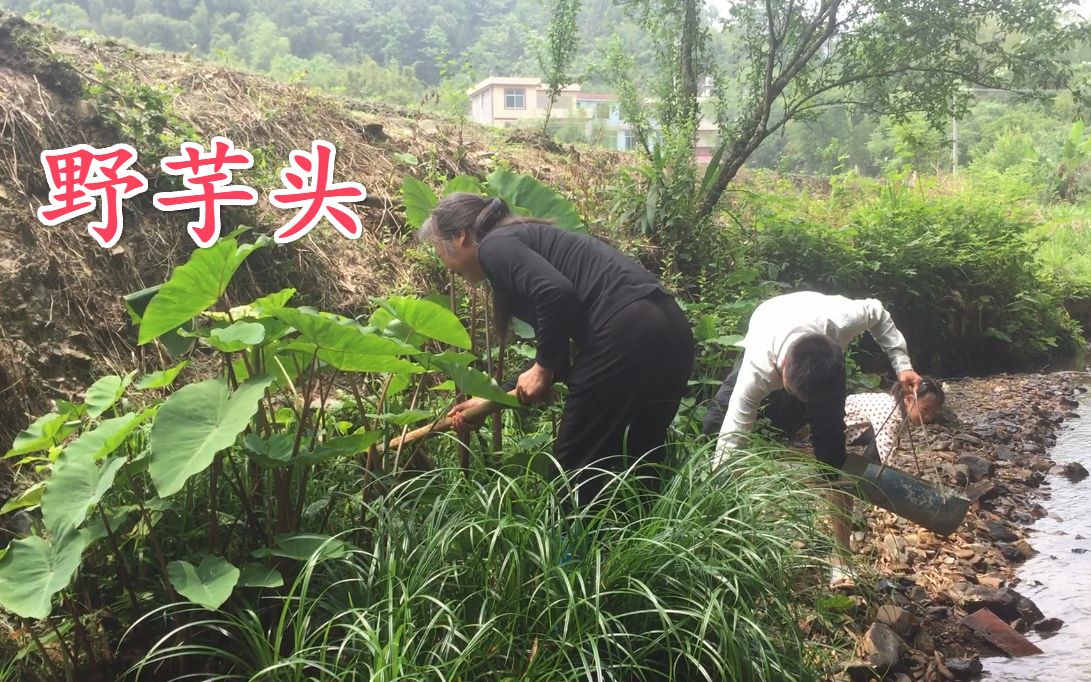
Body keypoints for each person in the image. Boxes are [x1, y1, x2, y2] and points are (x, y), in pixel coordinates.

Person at [417, 193, 695, 505]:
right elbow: (558, 352)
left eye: (436, 246)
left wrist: (543, 367)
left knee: (576, 464)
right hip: (669, 327)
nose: (440, 259)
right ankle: (643, 545)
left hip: (626, 329)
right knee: (640, 454)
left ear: (462, 237)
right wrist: (492, 397)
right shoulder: (523, 240)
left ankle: (571, 553)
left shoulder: (495, 245)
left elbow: (554, 294)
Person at [828, 376, 946, 587]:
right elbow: (887, 459)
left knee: (850, 483)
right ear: (909, 399)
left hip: (848, 433)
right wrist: (912, 494)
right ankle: (840, 560)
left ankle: (856, 489)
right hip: (832, 435)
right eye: (926, 409)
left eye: (933, 413)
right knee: (843, 490)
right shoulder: (889, 413)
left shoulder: (896, 410)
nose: (928, 417)